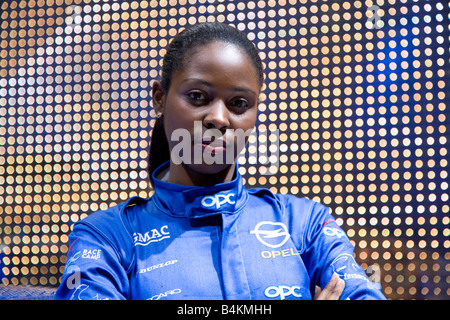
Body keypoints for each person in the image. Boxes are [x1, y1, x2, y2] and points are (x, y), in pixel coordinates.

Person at [55, 22, 386, 300]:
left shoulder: (305, 223)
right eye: (198, 97)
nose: (218, 118)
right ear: (159, 98)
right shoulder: (105, 238)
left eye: (239, 103)